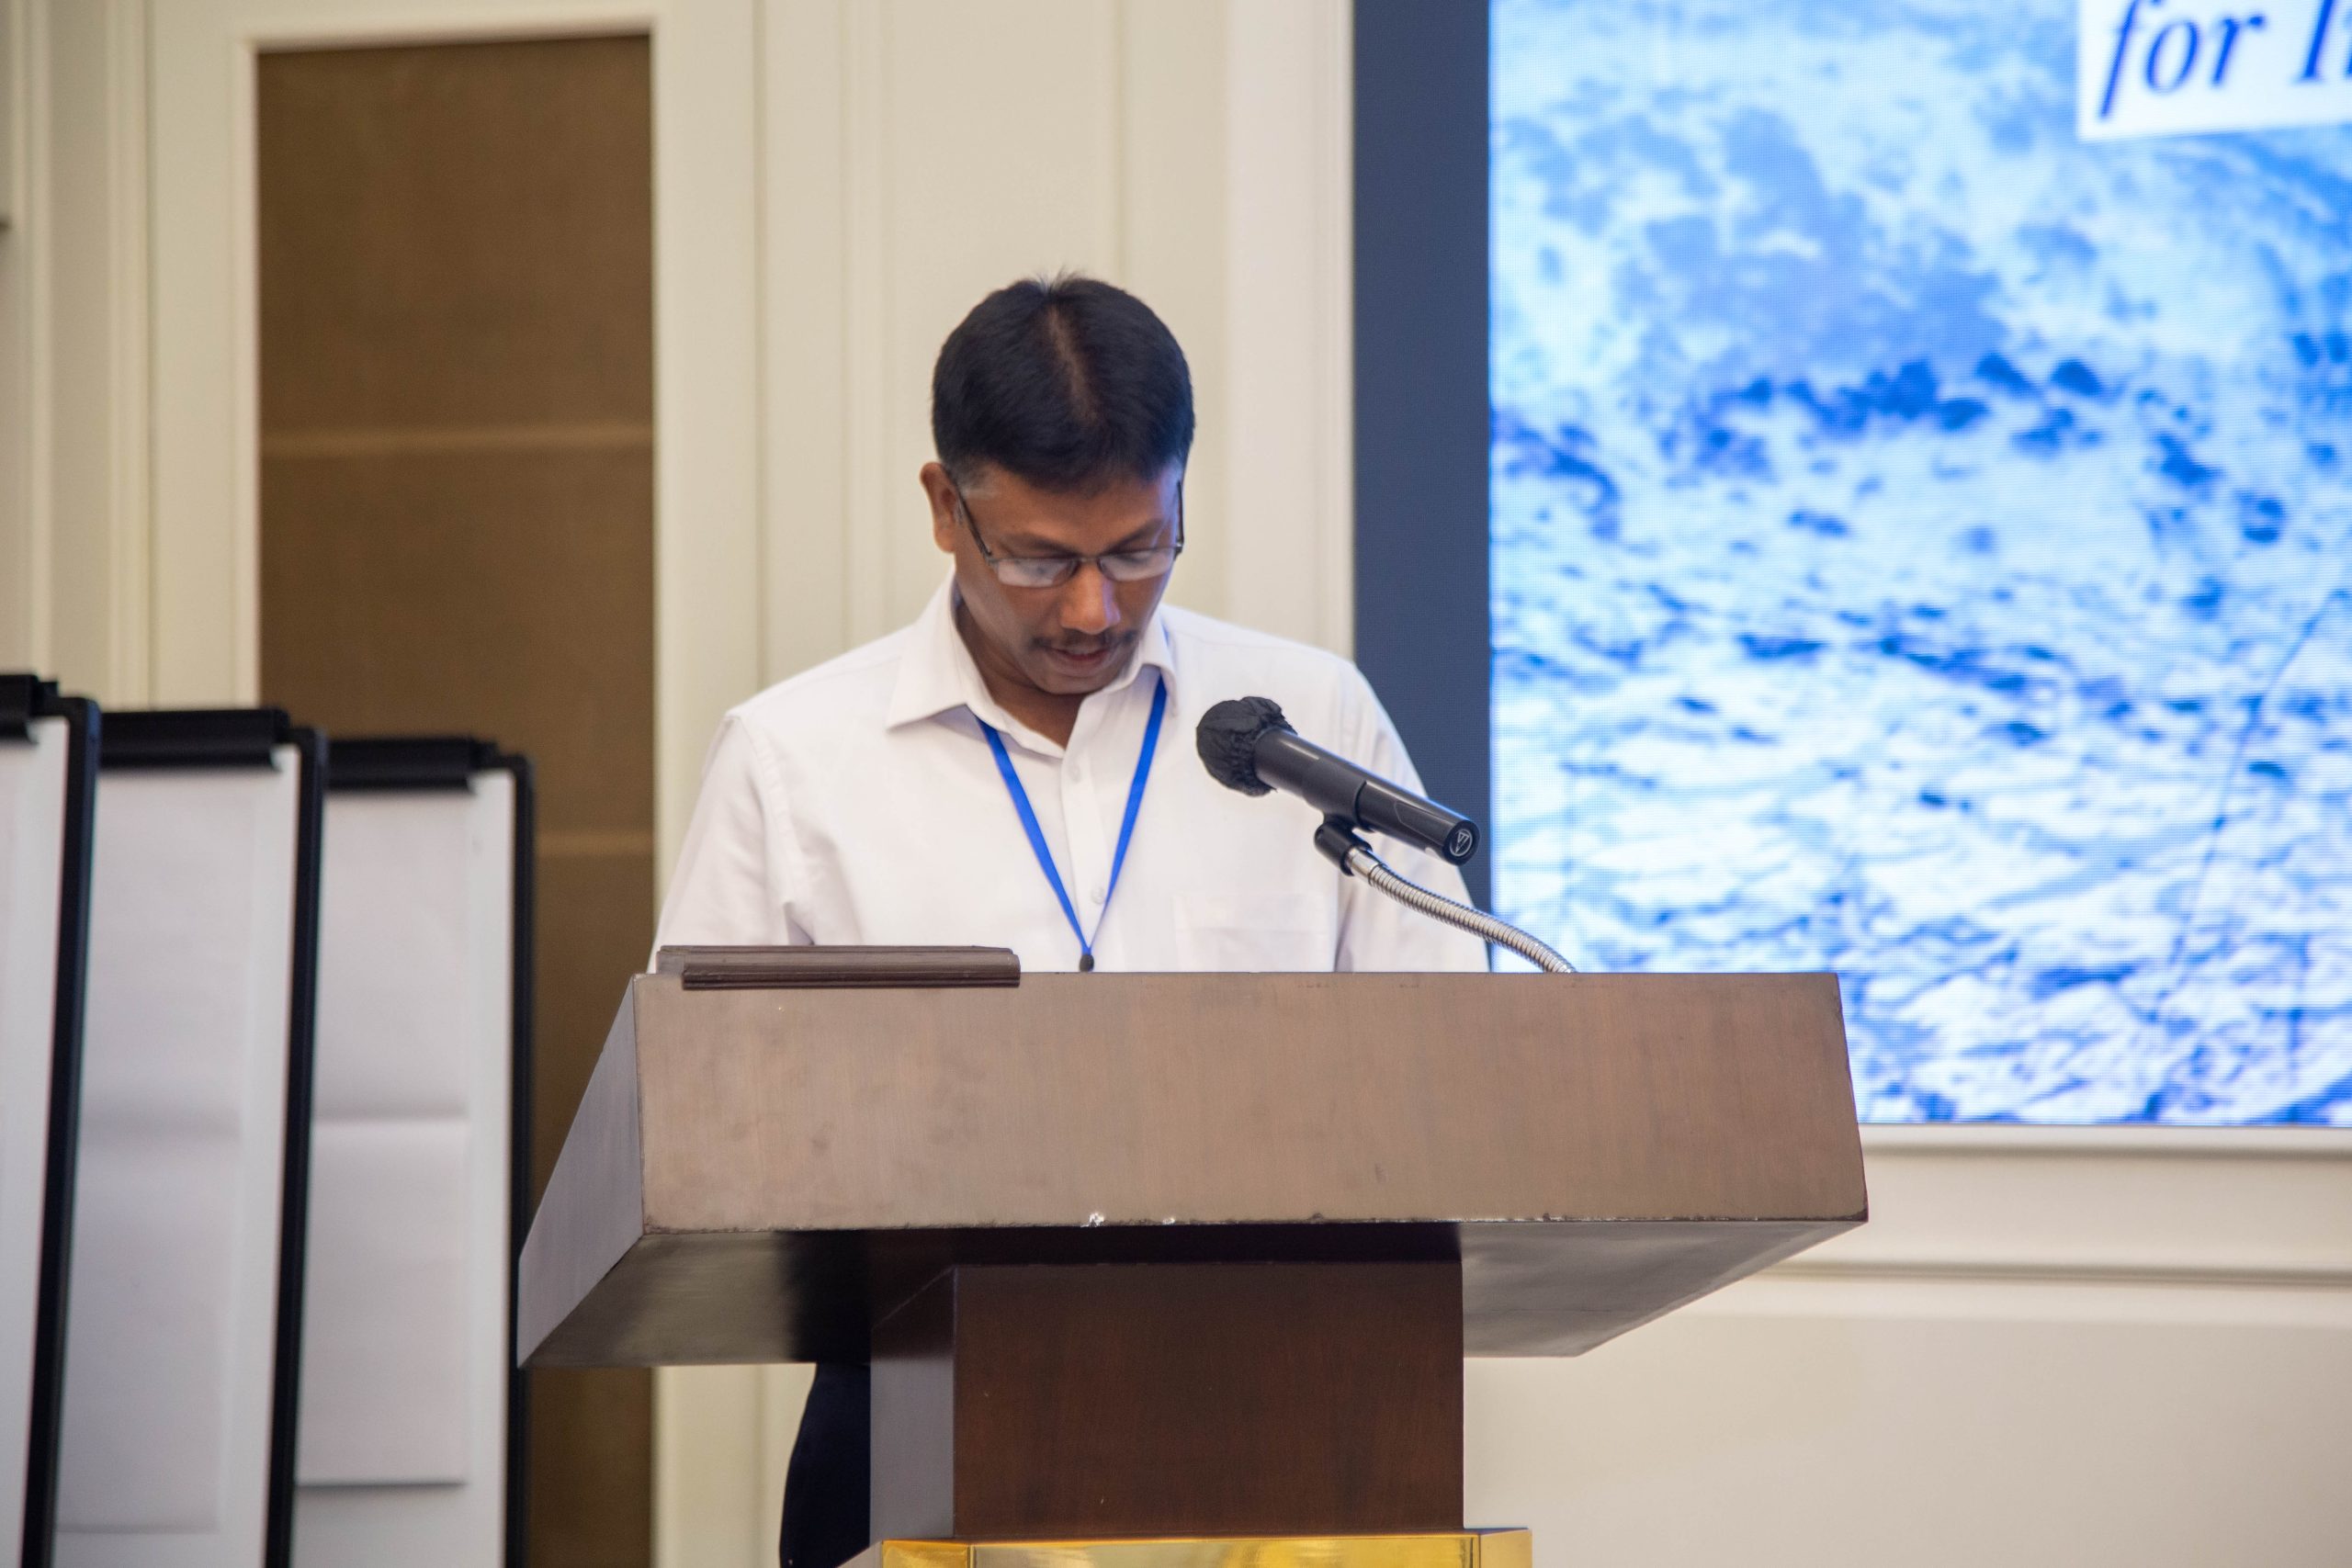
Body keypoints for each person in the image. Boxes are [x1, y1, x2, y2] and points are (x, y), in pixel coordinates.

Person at [650, 273, 1485, 1568]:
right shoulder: (794, 760)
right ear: (946, 506)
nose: (1094, 610)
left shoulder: (1308, 724)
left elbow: (1458, 1058)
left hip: (1296, 1412)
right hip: (916, 1418)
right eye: (1041, 560)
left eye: (1139, 550)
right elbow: (697, 1124)